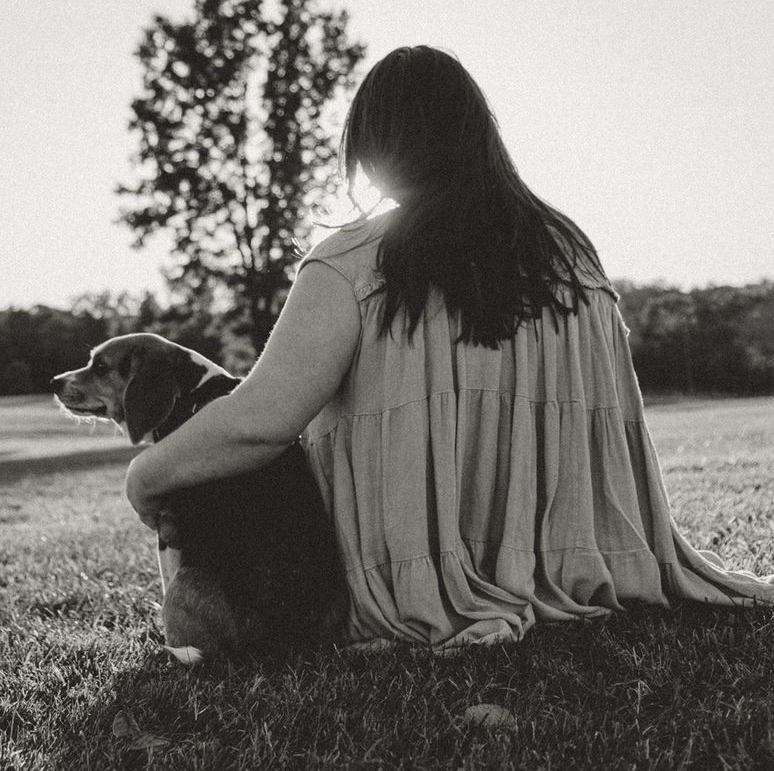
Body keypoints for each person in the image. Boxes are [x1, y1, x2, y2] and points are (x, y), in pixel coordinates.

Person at [126, 45, 774, 649]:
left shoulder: (351, 261)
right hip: (584, 562)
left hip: (398, 581)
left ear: (372, 146)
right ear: (477, 135)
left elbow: (262, 422)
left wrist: (146, 475)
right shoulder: (569, 252)